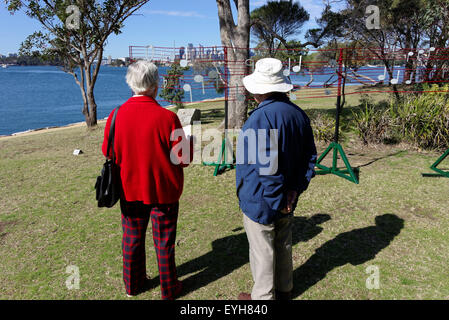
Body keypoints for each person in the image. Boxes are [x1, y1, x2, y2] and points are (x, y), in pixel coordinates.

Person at [102, 60, 192, 299]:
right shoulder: (167, 118)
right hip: (164, 191)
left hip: (129, 189)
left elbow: (108, 152)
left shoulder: (115, 115)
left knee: (131, 239)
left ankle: (133, 285)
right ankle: (169, 288)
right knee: (163, 242)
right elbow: (183, 159)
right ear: (155, 85)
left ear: (131, 84)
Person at [236, 58, 317, 300]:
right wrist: (294, 190)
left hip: (263, 198)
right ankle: (285, 288)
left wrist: (278, 198)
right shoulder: (298, 115)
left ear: (259, 89)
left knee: (263, 250)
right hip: (288, 195)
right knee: (283, 243)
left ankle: (263, 297)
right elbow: (309, 158)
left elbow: (267, 166)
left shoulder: (261, 118)